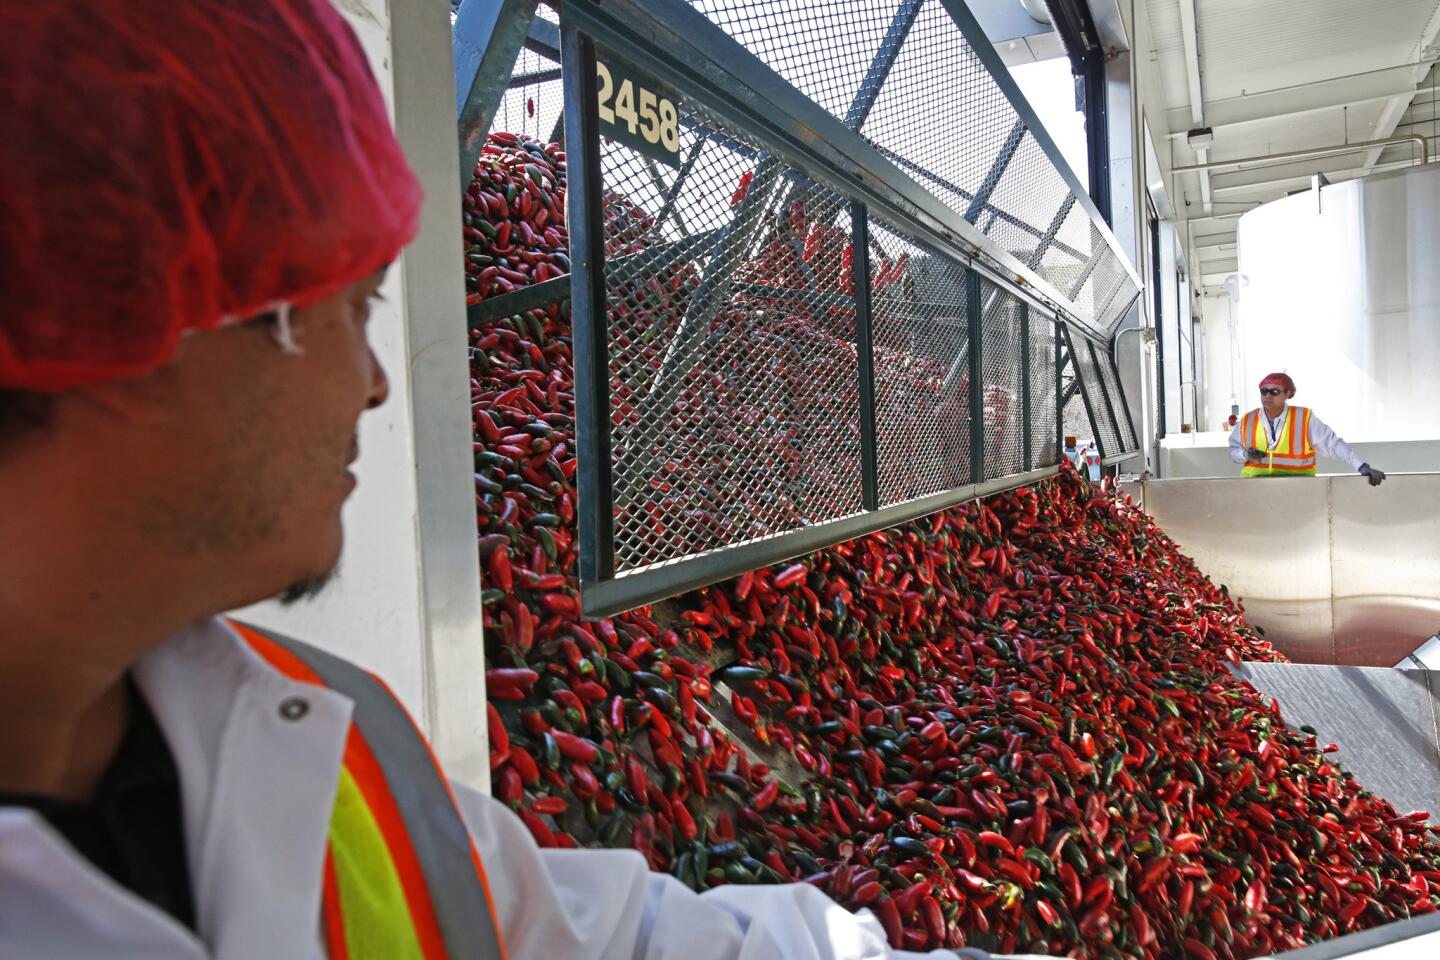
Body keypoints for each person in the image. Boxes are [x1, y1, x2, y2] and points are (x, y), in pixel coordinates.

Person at [0, 3, 1042, 959]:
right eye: (352, 308)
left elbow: (608, 940)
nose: (374, 385)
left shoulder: (331, 746)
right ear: (137, 325)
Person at [1228, 373, 1386, 485]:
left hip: (1300, 490)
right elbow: (1234, 453)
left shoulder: (1304, 418)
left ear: (1287, 394)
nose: (1268, 395)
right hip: (1254, 489)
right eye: (1264, 391)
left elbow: (1332, 445)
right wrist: (1245, 454)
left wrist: (1361, 466)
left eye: (1274, 391)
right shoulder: (1248, 420)